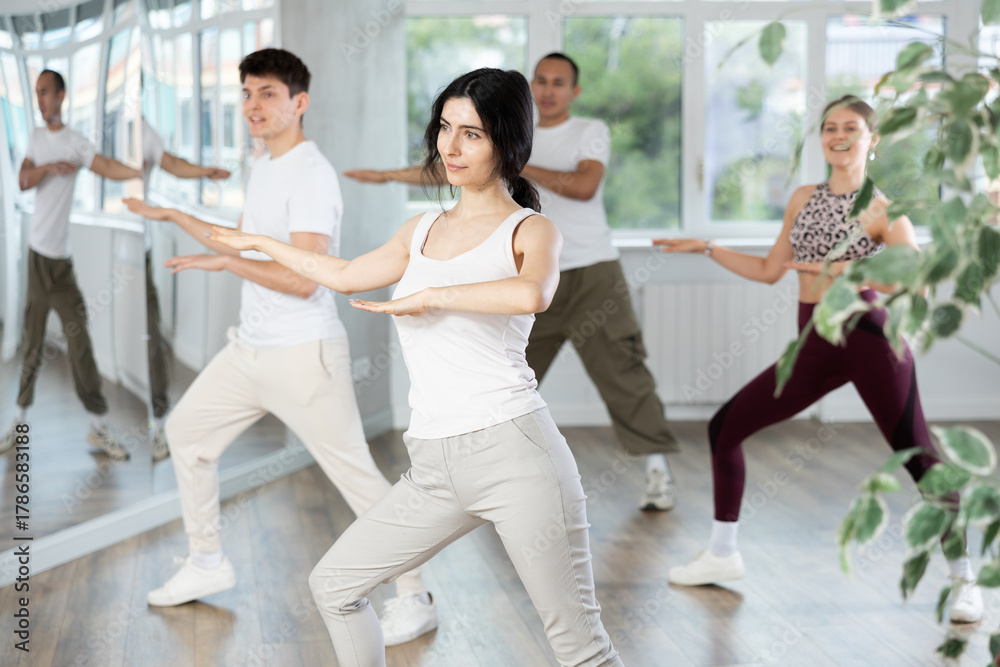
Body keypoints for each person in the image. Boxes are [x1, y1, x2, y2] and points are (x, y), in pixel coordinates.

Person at [209, 67, 624, 667]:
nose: (449, 148)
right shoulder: (421, 229)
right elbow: (343, 273)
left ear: (508, 143)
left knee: (581, 650)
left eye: (472, 135)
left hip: (516, 456)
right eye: (445, 129)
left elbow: (531, 294)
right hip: (434, 465)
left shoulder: (531, 230)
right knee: (334, 586)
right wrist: (257, 243)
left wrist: (433, 297)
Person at [122, 48, 438, 645]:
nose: (252, 106)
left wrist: (227, 262)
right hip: (251, 351)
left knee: (358, 481)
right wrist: (171, 213)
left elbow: (301, 278)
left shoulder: (310, 174)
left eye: (267, 93)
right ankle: (207, 560)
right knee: (187, 434)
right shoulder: (263, 162)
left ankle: (414, 595)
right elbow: (247, 245)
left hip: (303, 355)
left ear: (299, 102)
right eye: (245, 94)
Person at [656, 95, 984, 623]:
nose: (837, 135)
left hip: (870, 337)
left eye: (850, 128)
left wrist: (844, 271)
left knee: (918, 454)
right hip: (813, 340)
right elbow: (770, 269)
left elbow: (912, 281)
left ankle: (964, 577)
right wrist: (707, 248)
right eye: (829, 127)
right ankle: (722, 553)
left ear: (871, 140)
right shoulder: (803, 197)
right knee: (725, 427)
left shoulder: (884, 210)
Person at [344, 52, 680, 512]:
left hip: (591, 274)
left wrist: (510, 156)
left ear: (574, 91)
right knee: (502, 379)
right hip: (513, 275)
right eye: (540, 80)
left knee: (623, 373)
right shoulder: (489, 126)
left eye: (559, 82)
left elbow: (583, 186)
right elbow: (447, 166)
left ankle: (656, 467)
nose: (549, 89)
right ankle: (487, 487)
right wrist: (385, 176)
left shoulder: (586, 132)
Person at [0, 69, 141, 460]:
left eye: (46, 92)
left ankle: (98, 428)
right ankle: (18, 421)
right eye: (37, 93)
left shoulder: (76, 142)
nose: (41, 100)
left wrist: (137, 171)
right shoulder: (36, 137)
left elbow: (106, 165)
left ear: (61, 95)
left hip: (60, 267)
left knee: (78, 343)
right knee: (31, 345)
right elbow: (23, 180)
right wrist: (50, 168)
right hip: (35, 259)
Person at [141, 116, 231, 461]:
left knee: (150, 333)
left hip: (143, 249)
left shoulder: (145, 132)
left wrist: (205, 172)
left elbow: (172, 164)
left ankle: (159, 421)